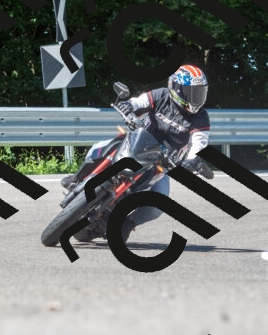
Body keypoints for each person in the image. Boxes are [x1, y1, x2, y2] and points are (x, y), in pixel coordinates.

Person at [61, 64, 211, 243]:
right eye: (192, 92)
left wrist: (192, 160)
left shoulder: (201, 117)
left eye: (200, 92)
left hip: (161, 163)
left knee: (159, 202)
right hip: (139, 141)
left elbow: (199, 143)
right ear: (177, 89)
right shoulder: (161, 95)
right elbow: (139, 102)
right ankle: (77, 178)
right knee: (101, 146)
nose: (197, 98)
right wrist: (127, 106)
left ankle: (127, 222)